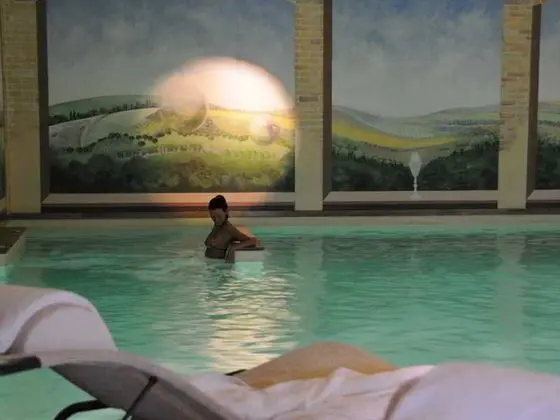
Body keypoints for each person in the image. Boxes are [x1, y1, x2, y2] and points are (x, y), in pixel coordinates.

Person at [204, 194, 259, 262]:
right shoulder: (217, 226)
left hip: (218, 265)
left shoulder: (229, 230)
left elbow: (253, 241)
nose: (217, 220)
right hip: (209, 263)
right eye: (213, 217)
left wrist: (235, 247)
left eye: (219, 216)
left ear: (226, 211)